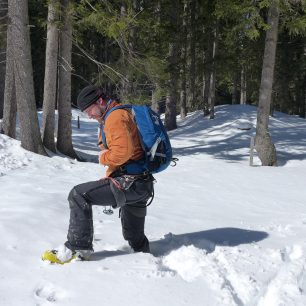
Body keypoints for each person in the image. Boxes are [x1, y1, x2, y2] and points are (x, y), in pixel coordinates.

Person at [42, 85, 154, 264]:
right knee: (135, 239)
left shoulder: (115, 117)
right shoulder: (118, 114)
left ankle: (77, 248)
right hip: (141, 185)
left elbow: (122, 153)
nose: (89, 115)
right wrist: (110, 174)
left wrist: (103, 158)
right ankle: (143, 254)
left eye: (90, 110)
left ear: (100, 101)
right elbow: (128, 155)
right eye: (86, 112)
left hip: (130, 184)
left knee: (78, 194)